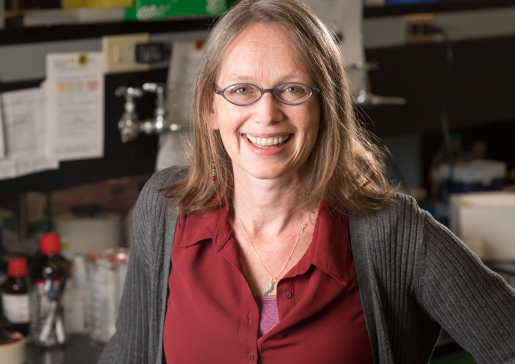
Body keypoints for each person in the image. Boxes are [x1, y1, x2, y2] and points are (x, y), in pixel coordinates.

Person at [99, 0, 515, 363]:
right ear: (211, 108)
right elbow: (130, 356)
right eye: (242, 89)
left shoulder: (391, 234)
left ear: (326, 105)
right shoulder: (165, 207)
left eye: (292, 89)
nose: (266, 114)